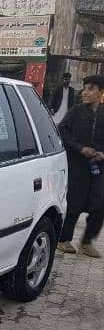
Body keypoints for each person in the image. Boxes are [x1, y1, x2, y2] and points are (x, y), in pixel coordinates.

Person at [57, 74, 104, 258]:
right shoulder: (76, 112)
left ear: (100, 92)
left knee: (100, 204)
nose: (85, 92)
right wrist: (80, 148)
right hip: (77, 164)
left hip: (99, 166)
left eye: (91, 89)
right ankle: (63, 240)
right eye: (84, 88)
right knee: (74, 203)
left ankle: (86, 242)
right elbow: (62, 131)